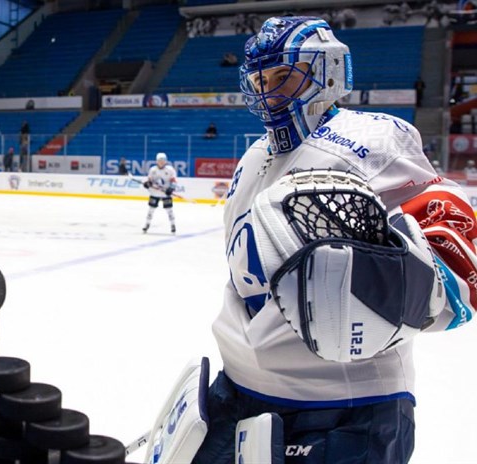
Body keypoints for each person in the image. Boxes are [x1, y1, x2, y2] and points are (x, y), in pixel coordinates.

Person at [192, 16, 477, 464]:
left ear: (327, 73)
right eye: (260, 79)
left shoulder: (373, 141)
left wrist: (390, 283)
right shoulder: (254, 155)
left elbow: (451, 269)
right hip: (237, 387)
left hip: (342, 409)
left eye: (282, 77)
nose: (268, 92)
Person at [141, 152, 177, 234]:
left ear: (166, 161)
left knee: (169, 210)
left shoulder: (170, 170)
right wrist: (147, 184)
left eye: (163, 160)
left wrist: (171, 188)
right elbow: (150, 181)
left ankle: (173, 225)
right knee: (151, 210)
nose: (161, 162)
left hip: (165, 194)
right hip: (155, 193)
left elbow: (174, 181)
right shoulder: (153, 169)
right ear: (156, 161)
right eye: (159, 160)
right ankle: (147, 224)